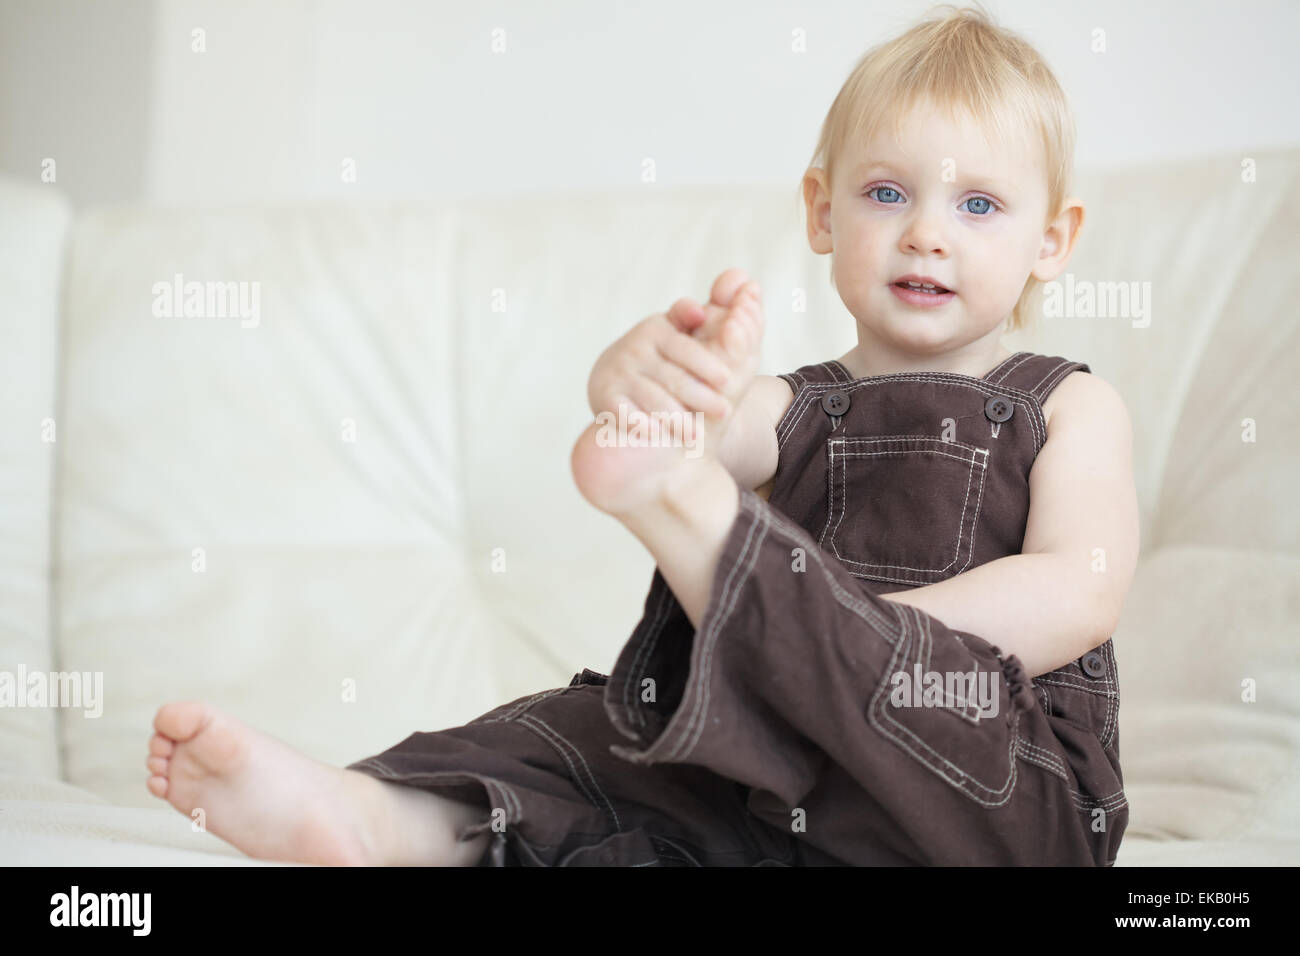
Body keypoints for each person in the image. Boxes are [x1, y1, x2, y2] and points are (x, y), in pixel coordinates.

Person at [143, 3, 1138, 866]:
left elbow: (1078, 585)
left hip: (998, 789)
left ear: (1051, 239)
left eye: (977, 204)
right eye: (887, 192)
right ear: (820, 210)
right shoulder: (788, 406)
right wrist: (649, 385)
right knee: (596, 740)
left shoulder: (1064, 405)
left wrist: (852, 643)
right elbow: (710, 425)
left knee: (875, 692)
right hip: (785, 787)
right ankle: (372, 817)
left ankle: (707, 534)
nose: (926, 231)